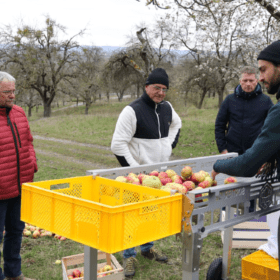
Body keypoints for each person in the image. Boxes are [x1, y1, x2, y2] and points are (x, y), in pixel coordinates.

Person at [210, 40, 280, 269]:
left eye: (263, 69)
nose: (260, 78)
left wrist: (219, 165)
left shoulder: (274, 108)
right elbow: (220, 125)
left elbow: (247, 165)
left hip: (248, 159)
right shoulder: (230, 100)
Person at [111, 68, 182, 277]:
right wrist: (136, 172)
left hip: (158, 177)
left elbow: (177, 125)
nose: (160, 92)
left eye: (164, 89)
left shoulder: (167, 108)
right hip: (137, 178)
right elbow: (117, 145)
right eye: (156, 88)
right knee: (132, 215)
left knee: (151, 214)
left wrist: (169, 145)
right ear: (146, 87)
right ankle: (128, 255)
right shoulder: (132, 110)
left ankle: (146, 248)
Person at [0, 72, 38, 280]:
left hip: (20, 186)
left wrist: (32, 163)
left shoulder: (20, 113)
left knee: (15, 232)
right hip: (0, 190)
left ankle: (14, 273)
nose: (12, 96)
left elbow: (29, 141)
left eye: (13, 91)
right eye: (7, 92)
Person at [215, 66, 273, 156]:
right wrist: (222, 149)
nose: (248, 84)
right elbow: (219, 125)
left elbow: (272, 128)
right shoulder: (229, 100)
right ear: (240, 81)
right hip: (233, 152)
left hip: (257, 152)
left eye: (251, 80)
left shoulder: (266, 101)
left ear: (256, 81)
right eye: (245, 80)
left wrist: (267, 150)